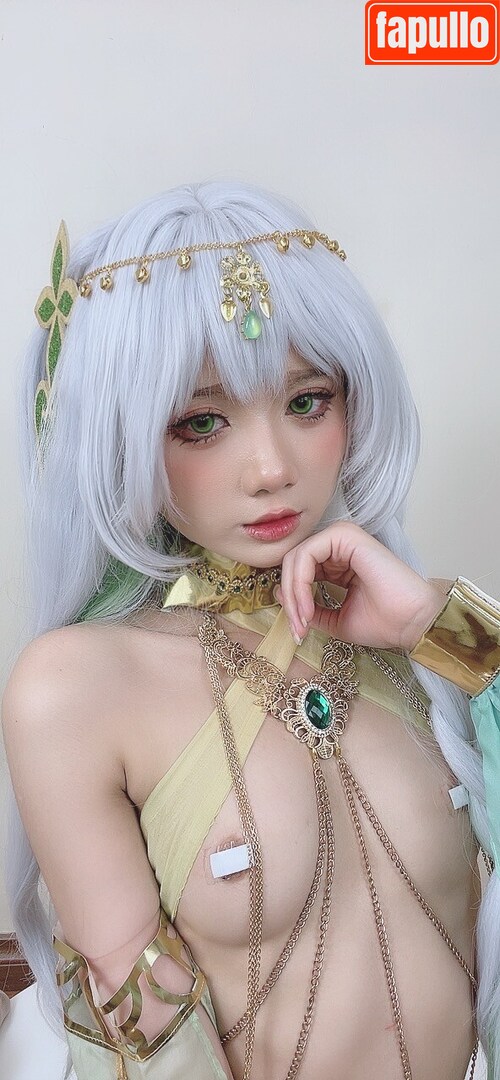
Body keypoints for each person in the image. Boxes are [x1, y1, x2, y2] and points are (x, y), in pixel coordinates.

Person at [1, 180, 499, 1080]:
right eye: (202, 422)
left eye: (308, 402)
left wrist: (438, 625)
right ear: (117, 438)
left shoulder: (422, 633)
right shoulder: (77, 687)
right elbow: (152, 1043)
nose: (271, 468)